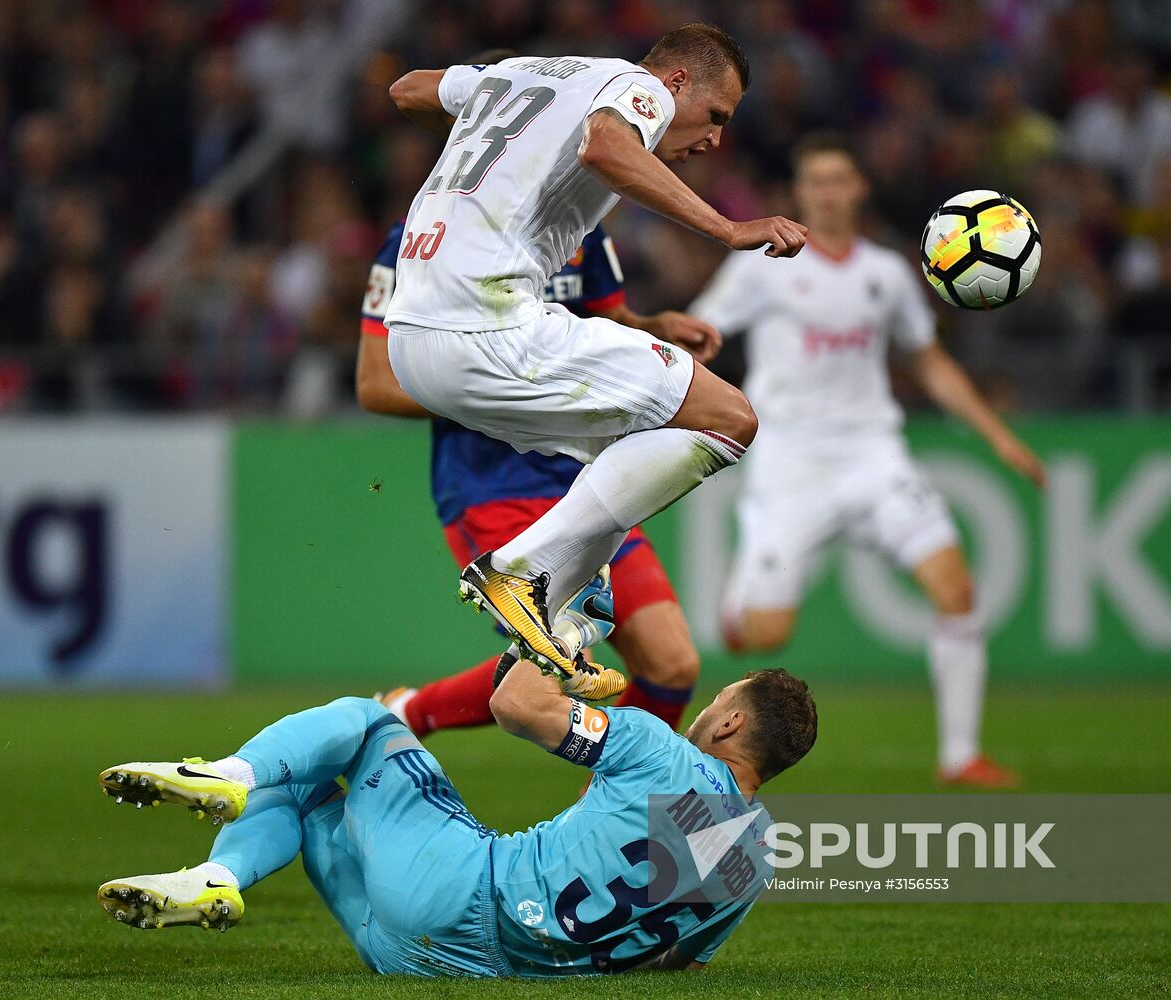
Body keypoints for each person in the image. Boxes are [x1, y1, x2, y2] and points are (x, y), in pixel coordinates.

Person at [383, 24, 807, 688]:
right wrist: (728, 227)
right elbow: (605, 146)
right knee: (728, 418)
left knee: (633, 439)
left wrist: (494, 106)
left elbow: (408, 90)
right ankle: (522, 571)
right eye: (715, 116)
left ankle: (572, 606)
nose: (714, 139)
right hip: (486, 322)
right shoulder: (638, 87)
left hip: (413, 342)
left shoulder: (524, 73)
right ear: (675, 84)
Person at [690, 132, 1043, 788]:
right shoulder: (761, 266)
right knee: (765, 635)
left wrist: (998, 435)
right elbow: (702, 332)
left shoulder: (886, 275)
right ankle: (742, 600)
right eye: (815, 181)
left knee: (956, 589)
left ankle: (959, 756)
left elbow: (927, 360)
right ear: (798, 194)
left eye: (839, 180)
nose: (827, 192)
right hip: (791, 464)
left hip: (873, 457)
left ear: (859, 189)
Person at [93, 663, 818, 977]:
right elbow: (673, 965)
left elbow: (514, 706)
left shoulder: (658, 748)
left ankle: (232, 775)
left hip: (458, 892)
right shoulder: (756, 860)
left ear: (728, 722)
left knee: (366, 722)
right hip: (430, 960)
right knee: (305, 778)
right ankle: (213, 878)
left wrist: (554, 643)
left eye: (717, 701)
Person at [358, 216, 718, 732]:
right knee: (553, 666)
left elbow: (610, 318)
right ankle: (404, 716)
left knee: (672, 665)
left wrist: (655, 327)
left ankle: (606, 808)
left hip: (585, 479)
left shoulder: (580, 224)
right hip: (492, 485)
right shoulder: (423, 238)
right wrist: (514, 396)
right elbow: (375, 384)